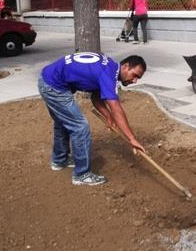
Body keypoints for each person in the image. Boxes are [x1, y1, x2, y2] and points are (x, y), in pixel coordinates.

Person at [38, 53, 147, 186]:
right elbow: (116, 109)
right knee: (80, 127)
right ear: (125, 66)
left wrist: (108, 117)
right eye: (134, 75)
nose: (135, 80)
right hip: (53, 86)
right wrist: (132, 139)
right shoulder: (108, 74)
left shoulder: (110, 67)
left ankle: (60, 160)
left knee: (64, 123)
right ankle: (82, 175)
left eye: (138, 78)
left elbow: (95, 97)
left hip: (50, 80)